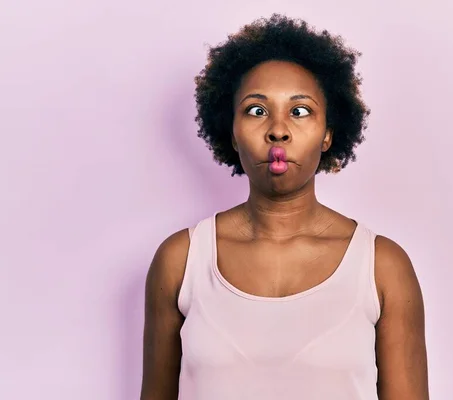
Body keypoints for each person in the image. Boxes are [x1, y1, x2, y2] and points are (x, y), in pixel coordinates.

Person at [140, 14, 429, 400]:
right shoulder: (181, 261)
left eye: (300, 111)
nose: (278, 130)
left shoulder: (383, 267)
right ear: (231, 132)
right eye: (257, 111)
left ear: (328, 134)